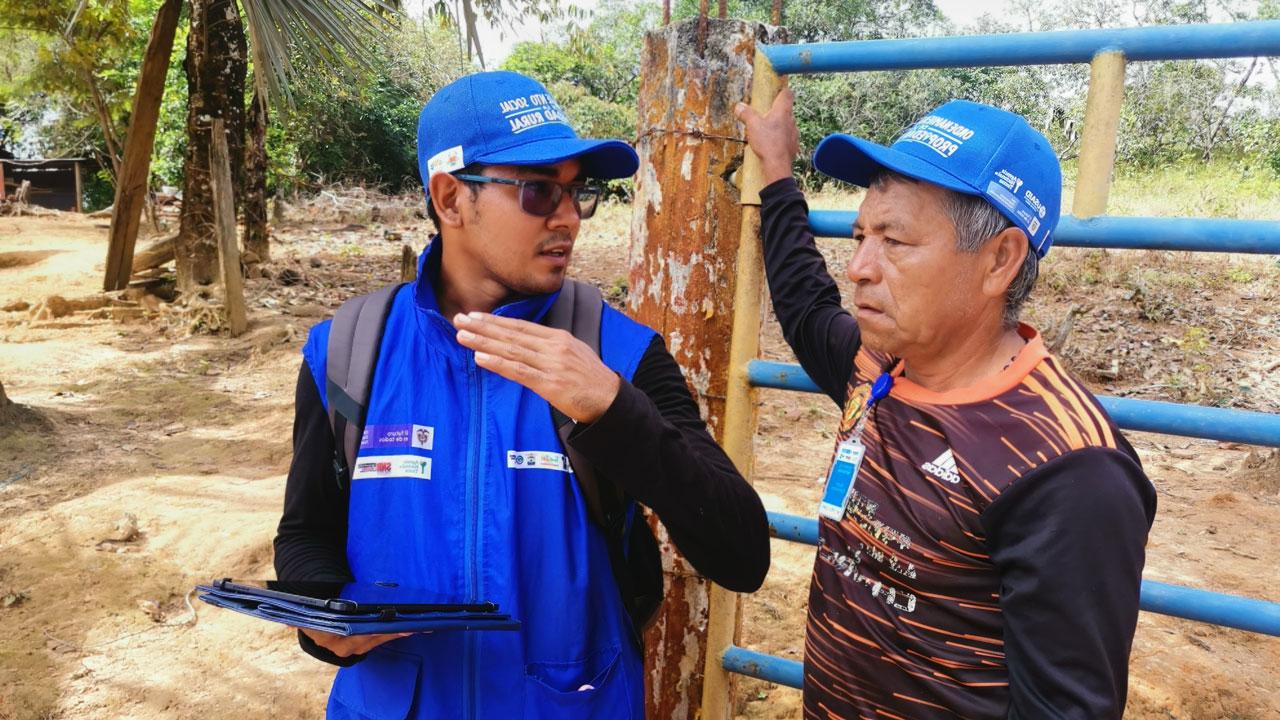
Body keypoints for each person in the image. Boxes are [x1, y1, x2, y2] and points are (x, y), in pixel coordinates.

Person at [274, 70, 770, 720]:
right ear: (451, 199)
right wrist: (327, 617)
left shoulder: (616, 352)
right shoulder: (346, 350)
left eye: (578, 192)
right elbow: (306, 531)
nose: (569, 218)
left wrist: (616, 413)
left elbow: (741, 554)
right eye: (539, 191)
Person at [734, 90, 1157, 719]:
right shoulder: (878, 364)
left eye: (895, 242)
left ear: (998, 261)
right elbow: (804, 303)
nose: (858, 268)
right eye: (860, 236)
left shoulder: (1069, 471)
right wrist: (775, 171)